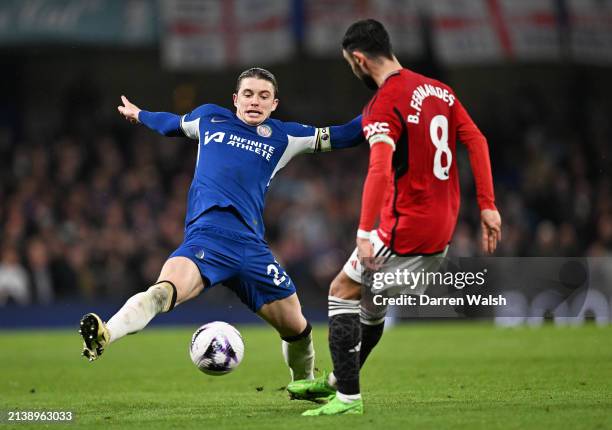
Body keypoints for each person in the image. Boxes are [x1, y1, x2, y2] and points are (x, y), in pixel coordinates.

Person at [79, 67, 364, 386]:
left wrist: (381, 110)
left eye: (263, 96)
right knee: (162, 292)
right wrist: (141, 114)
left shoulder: (286, 136)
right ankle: (106, 332)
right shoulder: (209, 118)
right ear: (235, 99)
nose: (255, 101)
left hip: (251, 249)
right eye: (248, 94)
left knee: (297, 329)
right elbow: (171, 124)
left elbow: (344, 135)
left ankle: (305, 384)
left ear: (274, 104)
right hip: (206, 239)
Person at [288, 19, 502, 415]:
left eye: (350, 66)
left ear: (359, 59)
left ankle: (348, 397)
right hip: (442, 227)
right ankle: (339, 380)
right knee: (372, 305)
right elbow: (476, 139)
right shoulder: (440, 90)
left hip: (405, 225)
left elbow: (381, 168)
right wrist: (487, 205)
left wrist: (366, 231)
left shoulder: (385, 102)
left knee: (341, 290)